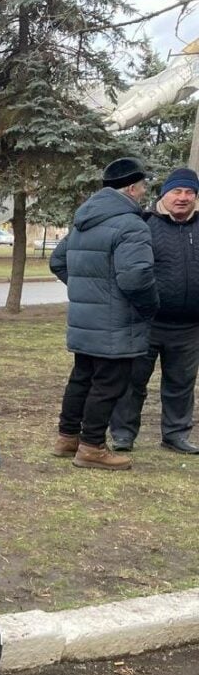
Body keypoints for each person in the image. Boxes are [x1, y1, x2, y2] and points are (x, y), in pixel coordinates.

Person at [50, 156, 158, 470]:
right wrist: (150, 307)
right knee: (109, 384)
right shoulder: (130, 223)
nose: (142, 194)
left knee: (82, 378)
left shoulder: (84, 220)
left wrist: (89, 292)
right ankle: (92, 447)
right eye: (142, 189)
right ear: (133, 188)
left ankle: (67, 438)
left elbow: (58, 261)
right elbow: (136, 278)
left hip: (86, 321)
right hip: (116, 322)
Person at [109, 166, 199, 454]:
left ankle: (175, 434)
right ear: (165, 194)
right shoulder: (143, 224)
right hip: (145, 322)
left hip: (189, 326)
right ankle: (123, 434)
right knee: (132, 382)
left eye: (189, 192)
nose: (183, 198)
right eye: (177, 191)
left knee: (181, 386)